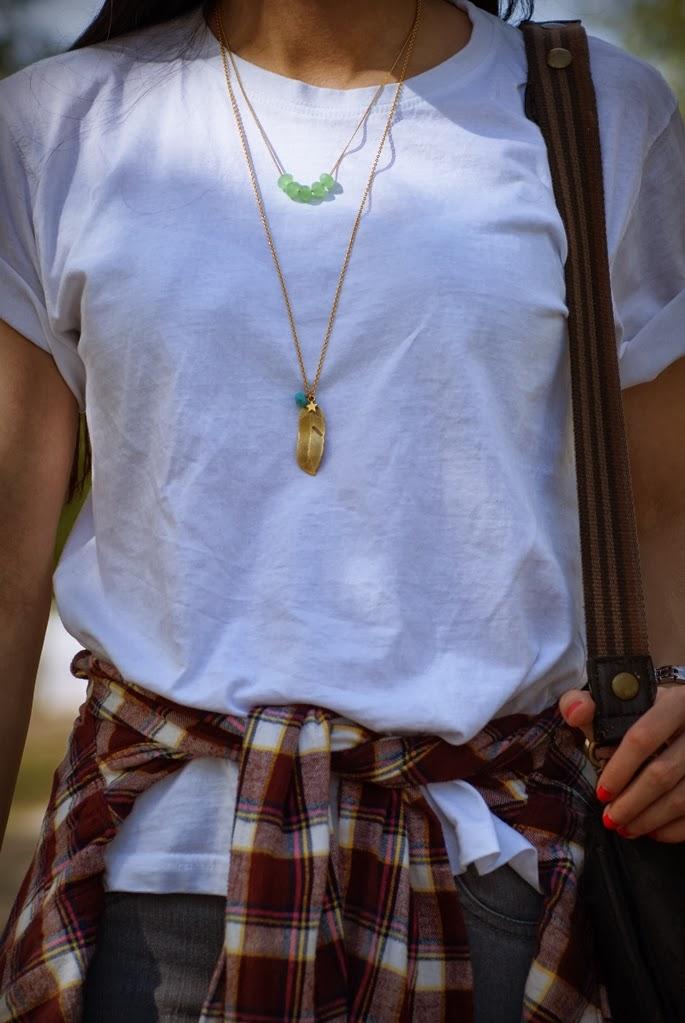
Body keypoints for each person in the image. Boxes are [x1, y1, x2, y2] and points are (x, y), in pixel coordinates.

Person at [0, 0, 683, 1019]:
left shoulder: (600, 112)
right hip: (150, 893)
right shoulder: (56, 125)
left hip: (494, 883)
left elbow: (659, 511)